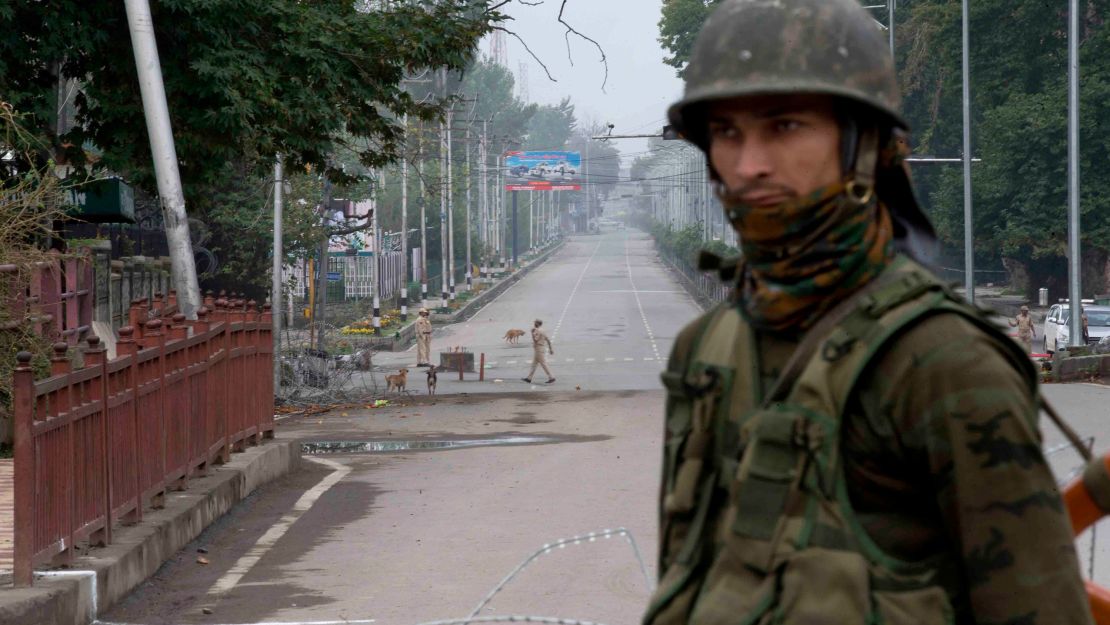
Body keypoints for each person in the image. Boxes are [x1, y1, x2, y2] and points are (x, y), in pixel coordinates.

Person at [644, 1, 1093, 624]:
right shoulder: (706, 346)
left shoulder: (943, 362)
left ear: (864, 145)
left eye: (784, 127)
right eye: (727, 133)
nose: (748, 166)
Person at [521, 319, 555, 384]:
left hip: (538, 349)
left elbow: (535, 340)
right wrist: (550, 349)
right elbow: (548, 340)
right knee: (534, 364)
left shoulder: (538, 331)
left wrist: (532, 333)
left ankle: (551, 377)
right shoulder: (543, 330)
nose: (534, 324)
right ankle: (529, 378)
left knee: (543, 363)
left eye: (535, 323)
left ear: (537, 324)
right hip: (540, 348)